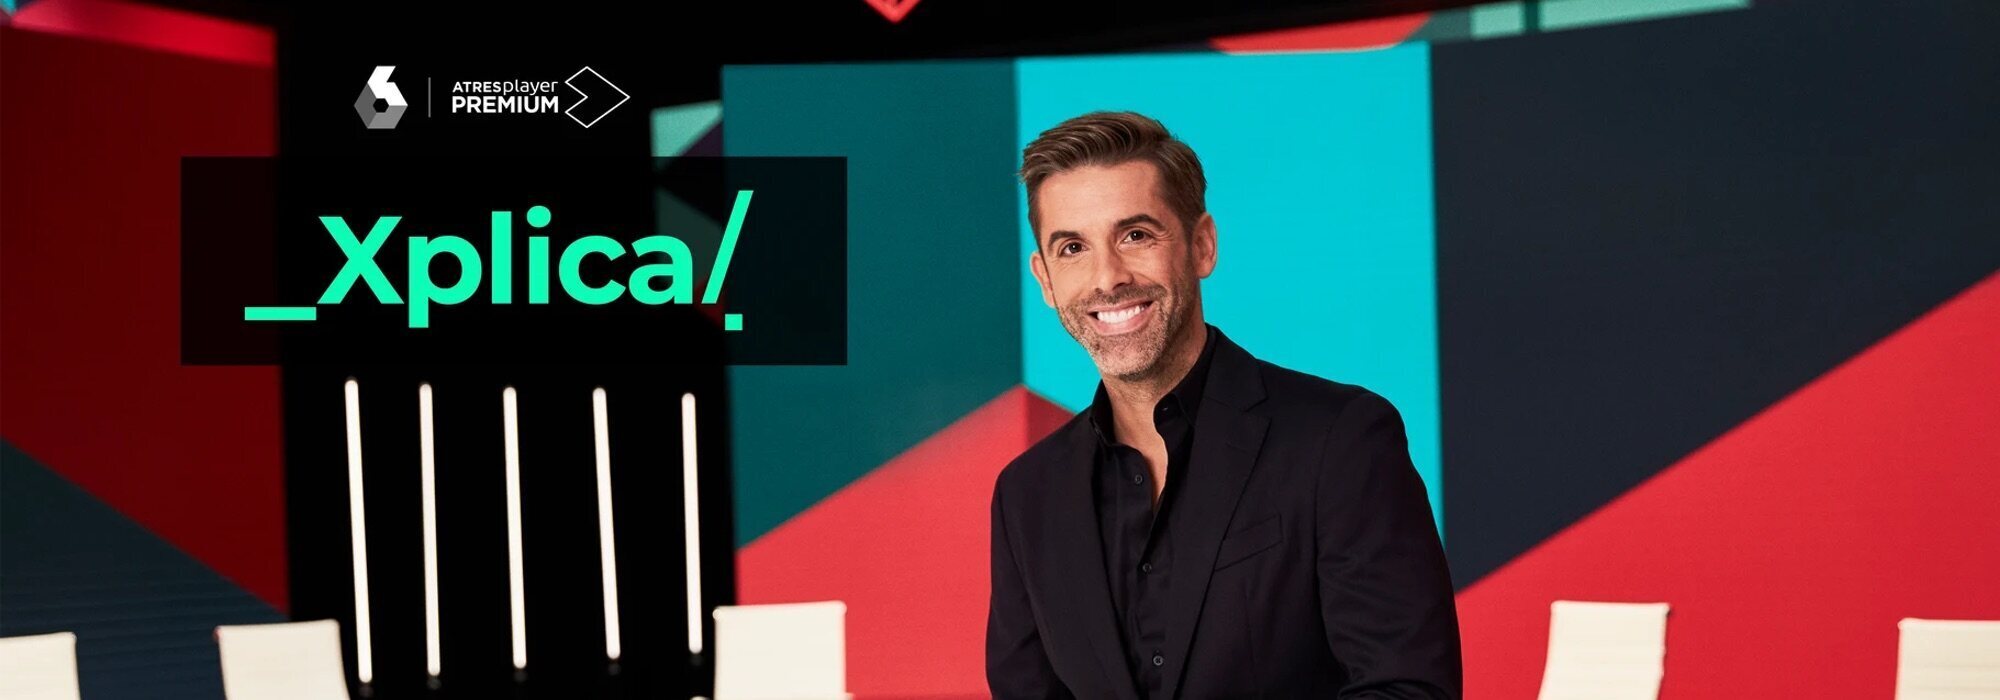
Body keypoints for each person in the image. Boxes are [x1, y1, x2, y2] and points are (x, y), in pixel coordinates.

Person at [987, 111, 1462, 699]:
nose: (1107, 278)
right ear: (1045, 278)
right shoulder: (1027, 496)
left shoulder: (1340, 440)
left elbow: (1407, 689)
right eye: (1072, 247)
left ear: (1202, 245)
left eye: (1136, 235)